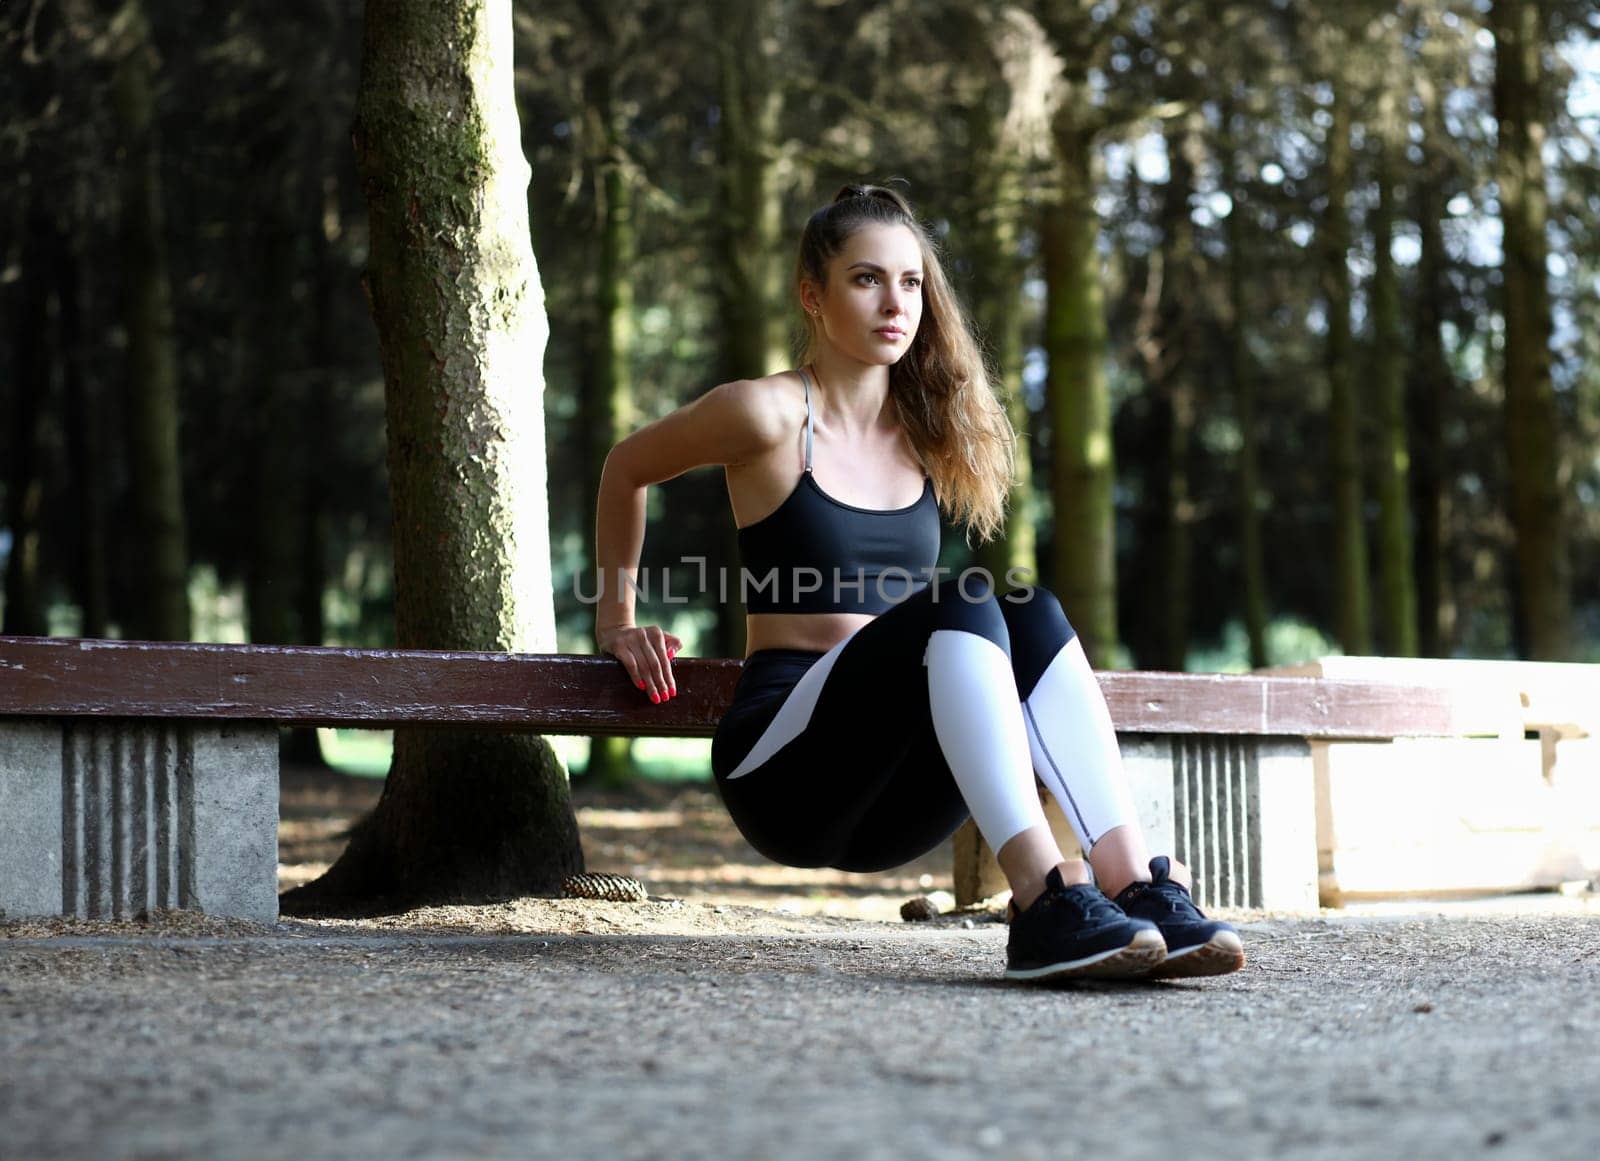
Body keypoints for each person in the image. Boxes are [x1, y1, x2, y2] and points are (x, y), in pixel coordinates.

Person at [593, 184, 1243, 982]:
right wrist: (616, 619)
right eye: (866, 279)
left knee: (1030, 607)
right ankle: (1041, 898)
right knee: (958, 600)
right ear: (813, 295)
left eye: (910, 282)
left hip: (899, 795)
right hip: (788, 773)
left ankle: (1133, 884)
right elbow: (626, 466)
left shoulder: (930, 434)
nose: (894, 301)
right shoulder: (765, 414)